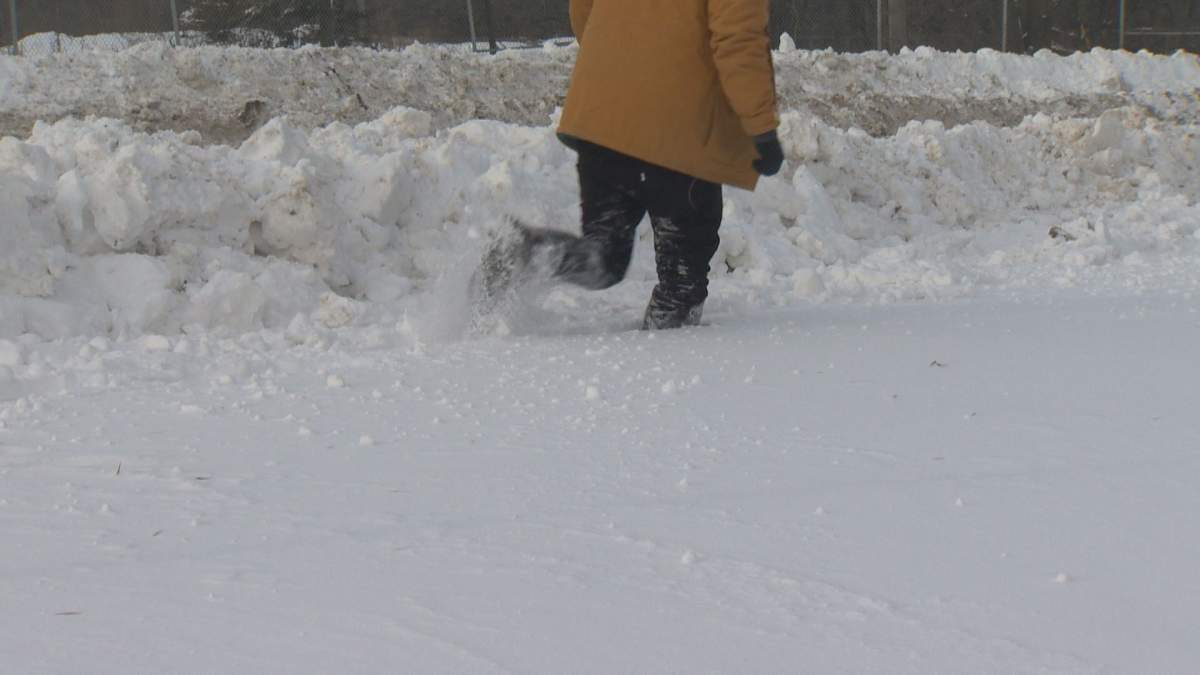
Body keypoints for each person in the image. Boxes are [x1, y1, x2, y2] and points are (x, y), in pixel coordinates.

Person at [478, 0, 783, 329]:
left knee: (603, 256)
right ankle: (673, 373)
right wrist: (762, 128)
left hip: (602, 120)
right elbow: (738, 41)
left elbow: (583, 10)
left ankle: (526, 254)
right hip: (679, 130)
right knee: (681, 285)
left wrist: (623, 69)